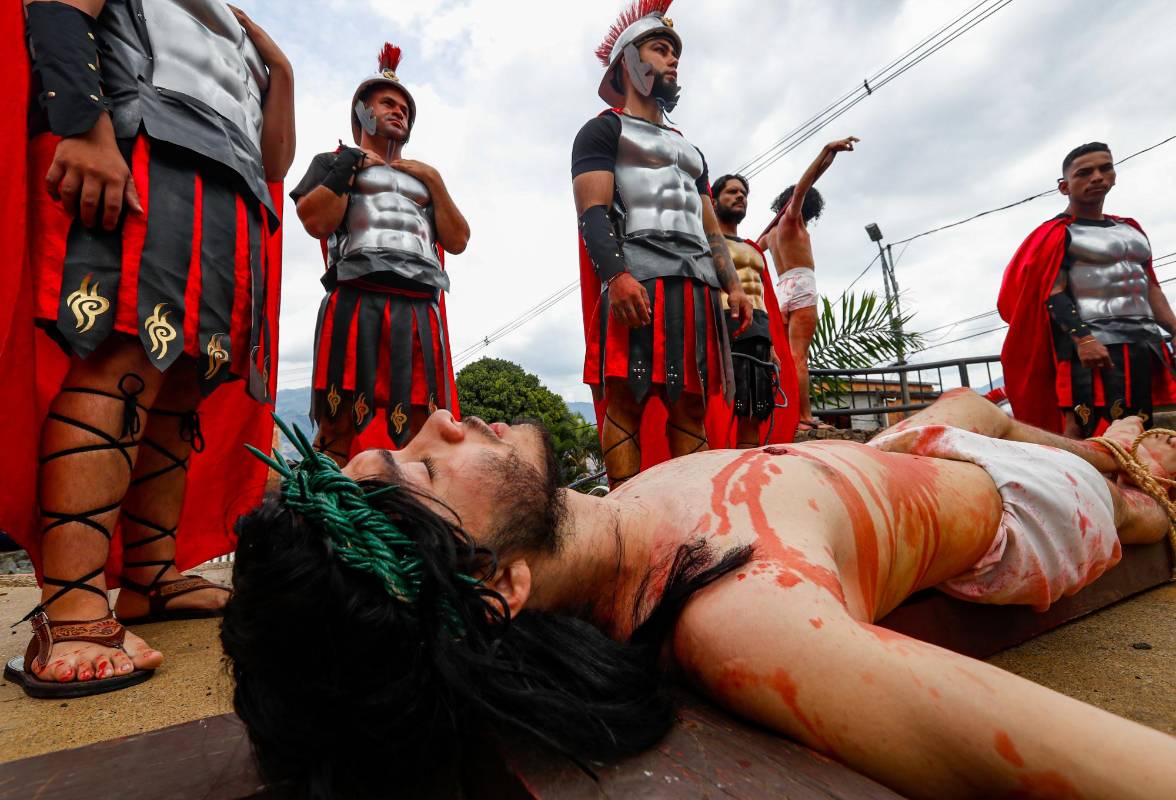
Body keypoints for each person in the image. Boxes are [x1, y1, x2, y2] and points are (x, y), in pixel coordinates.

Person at [221, 386, 1176, 798]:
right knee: (1139, 494)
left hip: (894, 454)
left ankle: (1110, 448)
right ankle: (1134, 472)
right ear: (499, 585)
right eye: (423, 471)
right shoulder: (743, 618)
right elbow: (1095, 762)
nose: (435, 419)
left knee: (974, 409)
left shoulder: (601, 521)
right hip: (1018, 508)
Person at [1, 0, 293, 699]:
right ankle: (72, 605)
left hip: (232, 189)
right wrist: (84, 126)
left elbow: (275, 157)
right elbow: (58, 12)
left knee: (182, 385)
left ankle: (149, 579)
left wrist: (279, 70)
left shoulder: (244, 30)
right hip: (140, 150)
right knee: (120, 357)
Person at [573, 0, 753, 486]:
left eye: (676, 53)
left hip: (695, 283)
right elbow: (592, 211)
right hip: (637, 273)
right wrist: (618, 274)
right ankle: (626, 516)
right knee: (626, 401)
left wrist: (733, 286)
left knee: (691, 405)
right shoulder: (603, 130)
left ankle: (687, 514)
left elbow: (709, 225)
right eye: (660, 49)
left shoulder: (691, 150)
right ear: (629, 61)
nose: (674, 60)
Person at [290, 45, 469, 464]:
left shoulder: (425, 179)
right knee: (337, 421)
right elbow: (315, 220)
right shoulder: (334, 162)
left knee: (421, 426)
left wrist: (436, 182)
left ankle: (409, 524)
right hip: (355, 296)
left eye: (405, 107)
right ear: (363, 112)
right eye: (388, 103)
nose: (399, 111)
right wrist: (349, 165)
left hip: (419, 305)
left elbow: (458, 240)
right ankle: (324, 522)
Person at [999, 141, 1176, 439]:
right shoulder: (1057, 234)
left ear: (1114, 175)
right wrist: (1084, 339)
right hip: (1089, 342)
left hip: (1142, 340)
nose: (1097, 177)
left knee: (1137, 425)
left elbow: (1150, 288)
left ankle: (1129, 485)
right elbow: (1052, 293)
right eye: (1085, 172)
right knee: (1083, 427)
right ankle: (1075, 485)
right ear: (1064, 186)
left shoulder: (1131, 230)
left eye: (1105, 168)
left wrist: (1173, 328)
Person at [758, 136, 859, 431]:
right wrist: (828, 151)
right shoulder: (792, 221)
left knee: (789, 358)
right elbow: (804, 186)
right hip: (801, 285)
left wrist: (830, 156)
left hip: (780, 291)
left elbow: (753, 249)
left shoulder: (770, 235)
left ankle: (791, 414)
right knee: (798, 356)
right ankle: (802, 417)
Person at [711, 173, 794, 447]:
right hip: (721, 325)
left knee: (754, 408)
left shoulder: (754, 250)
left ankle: (747, 481)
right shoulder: (703, 244)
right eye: (731, 192)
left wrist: (770, 343)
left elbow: (763, 299)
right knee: (714, 410)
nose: (740, 197)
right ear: (712, 202)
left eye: (743, 193)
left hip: (758, 330)